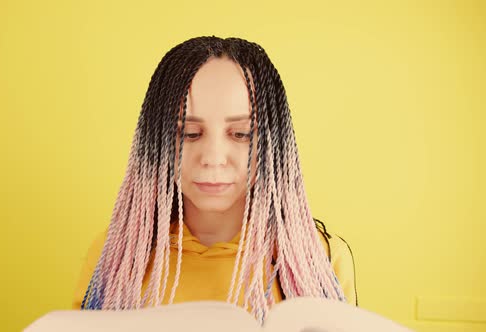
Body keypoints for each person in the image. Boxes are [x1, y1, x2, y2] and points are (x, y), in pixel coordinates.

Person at [72, 36, 358, 323]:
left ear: (274, 145)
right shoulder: (117, 258)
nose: (213, 156)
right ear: (154, 143)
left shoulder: (318, 259)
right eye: (189, 134)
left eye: (241, 134)